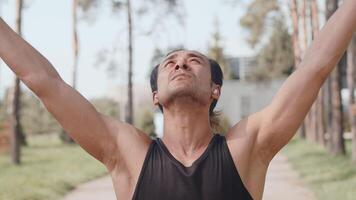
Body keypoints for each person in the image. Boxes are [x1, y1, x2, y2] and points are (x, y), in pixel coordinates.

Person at [0, 0, 355, 199]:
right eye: (170, 63)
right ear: (155, 95)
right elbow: (45, 83)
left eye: (193, 61)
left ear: (216, 90)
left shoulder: (246, 148)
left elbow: (314, 69)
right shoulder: (128, 152)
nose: (181, 62)